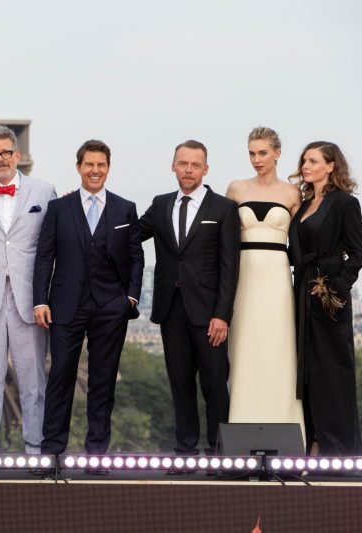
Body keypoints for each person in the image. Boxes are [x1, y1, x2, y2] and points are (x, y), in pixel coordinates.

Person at [32, 140, 144, 455]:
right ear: (79, 167)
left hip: (111, 306)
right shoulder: (59, 208)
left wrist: (131, 298)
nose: (95, 170)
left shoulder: (126, 208)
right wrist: (41, 300)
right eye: (89, 164)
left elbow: (137, 257)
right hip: (65, 305)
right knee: (60, 377)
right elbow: (44, 256)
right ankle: (52, 451)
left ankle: (97, 453)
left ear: (108, 168)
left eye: (101, 165)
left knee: (103, 381)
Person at [139, 140, 239, 456]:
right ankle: (185, 449)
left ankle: (220, 451)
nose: (189, 170)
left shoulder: (224, 208)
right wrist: (82, 206)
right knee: (180, 385)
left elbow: (230, 266)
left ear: (205, 169)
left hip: (210, 313)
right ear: (173, 166)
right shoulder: (160, 204)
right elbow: (126, 236)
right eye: (183, 163)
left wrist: (222, 314)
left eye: (195, 165)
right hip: (171, 310)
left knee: (214, 386)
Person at [0, 126, 56, 455]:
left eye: (6, 152)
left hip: (30, 300)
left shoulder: (44, 190)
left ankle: (36, 448)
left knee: (34, 382)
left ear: (17, 155)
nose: (0, 159)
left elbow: (54, 245)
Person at [225, 127, 305, 443]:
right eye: (251, 153)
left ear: (277, 153)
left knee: (279, 350)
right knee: (243, 351)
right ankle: (241, 435)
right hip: (243, 278)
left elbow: (304, 238)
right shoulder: (235, 189)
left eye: (262, 153)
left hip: (277, 280)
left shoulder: (292, 194)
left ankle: (286, 434)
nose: (256, 159)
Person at [288, 141, 362, 456]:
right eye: (304, 160)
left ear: (331, 165)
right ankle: (314, 442)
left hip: (329, 298)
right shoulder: (305, 204)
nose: (306, 166)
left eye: (314, 161)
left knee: (331, 372)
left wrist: (333, 288)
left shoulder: (345, 203)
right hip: (302, 291)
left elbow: (358, 255)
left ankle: (338, 449)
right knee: (305, 371)